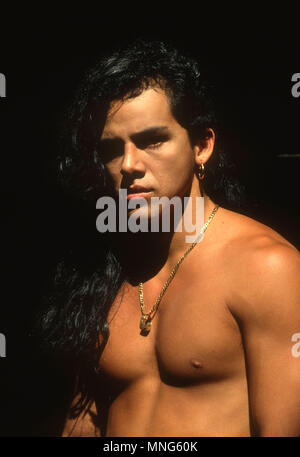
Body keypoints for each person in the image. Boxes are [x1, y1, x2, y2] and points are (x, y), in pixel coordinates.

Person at [39, 40, 300, 437]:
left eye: (151, 140)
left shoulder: (267, 267)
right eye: (112, 149)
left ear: (201, 146)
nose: (129, 165)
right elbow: (81, 420)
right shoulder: (106, 268)